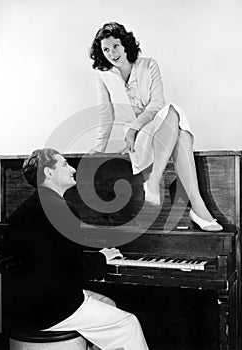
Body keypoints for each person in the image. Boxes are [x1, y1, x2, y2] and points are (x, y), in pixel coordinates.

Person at [0, 148, 149, 350]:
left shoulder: (25, 209)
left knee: (107, 303)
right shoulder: (61, 208)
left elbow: (51, 258)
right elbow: (76, 267)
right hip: (51, 310)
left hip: (23, 309)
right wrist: (103, 257)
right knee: (128, 323)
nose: (72, 168)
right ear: (49, 173)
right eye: (64, 164)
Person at [89, 22, 223, 232]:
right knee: (179, 129)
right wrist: (97, 150)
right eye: (106, 49)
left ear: (125, 44)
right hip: (135, 141)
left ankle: (154, 182)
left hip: (153, 128)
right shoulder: (103, 75)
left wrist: (134, 126)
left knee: (171, 112)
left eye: (115, 46)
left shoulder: (149, 64)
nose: (112, 53)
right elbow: (106, 114)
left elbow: (157, 104)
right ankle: (198, 208)